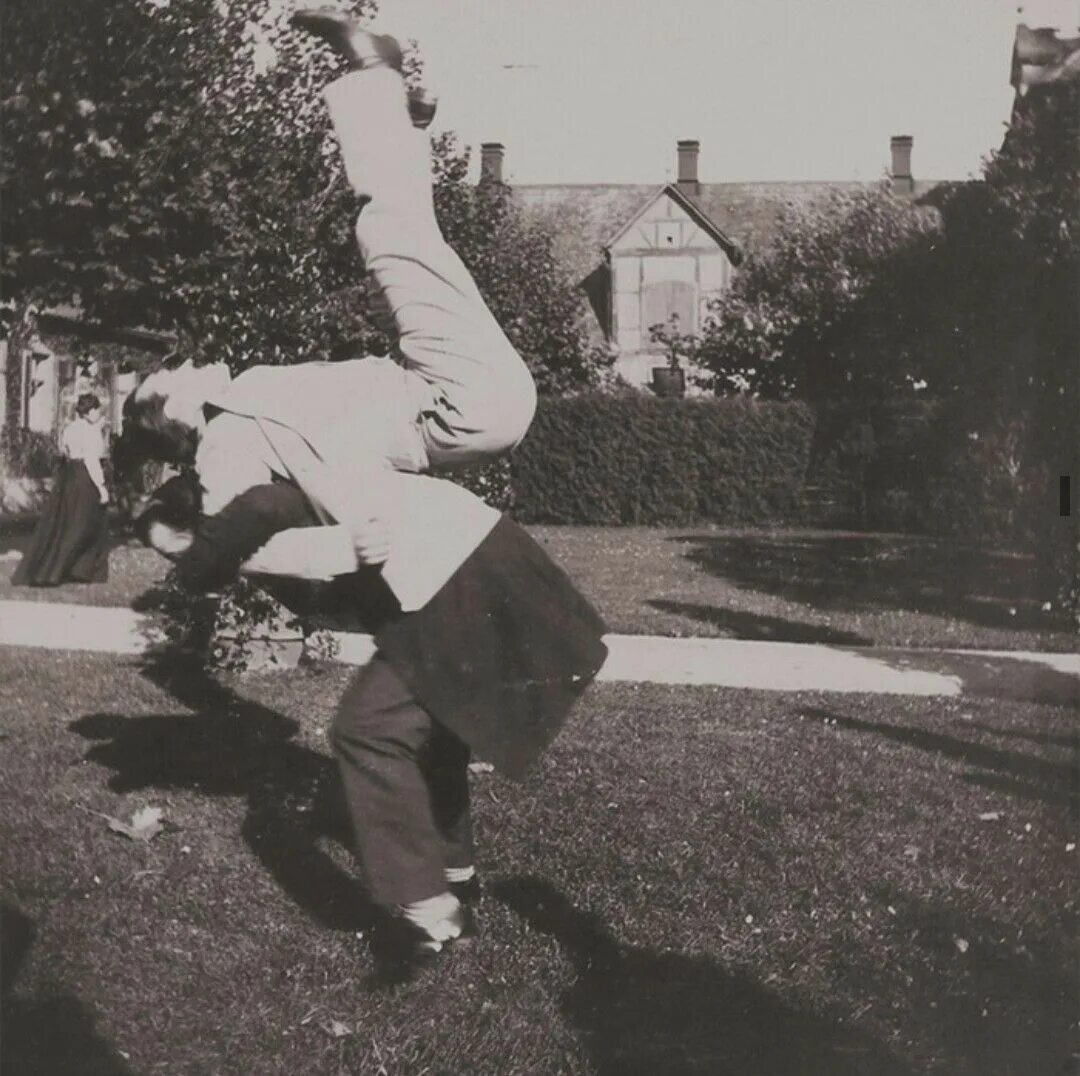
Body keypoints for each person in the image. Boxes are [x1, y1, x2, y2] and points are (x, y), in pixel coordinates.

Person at [135, 465, 608, 981]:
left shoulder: (267, 501)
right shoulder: (272, 517)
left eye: (180, 549)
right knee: (435, 730)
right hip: (458, 573)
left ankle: (431, 911)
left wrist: (191, 574)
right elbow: (335, 592)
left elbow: (270, 510)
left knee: (366, 731)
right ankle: (454, 873)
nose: (183, 564)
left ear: (206, 525)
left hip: (456, 581)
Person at [116, 7, 537, 522]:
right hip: (459, 406)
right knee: (389, 236)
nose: (183, 363)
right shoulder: (226, 440)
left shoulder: (240, 403)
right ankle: (374, 73)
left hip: (453, 397)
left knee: (397, 267)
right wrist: (168, 524)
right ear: (179, 412)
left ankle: (405, 129)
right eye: (172, 375)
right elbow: (238, 509)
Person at [13, 392, 110, 586]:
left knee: (69, 522)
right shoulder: (90, 432)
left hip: (70, 478)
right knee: (86, 524)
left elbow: (64, 451)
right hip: (85, 478)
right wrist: (101, 487)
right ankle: (61, 571)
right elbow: (91, 460)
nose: (98, 413)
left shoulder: (70, 429)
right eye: (96, 409)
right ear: (88, 412)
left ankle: (75, 570)